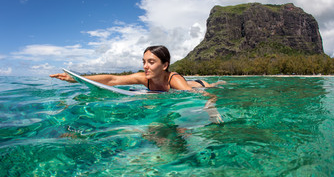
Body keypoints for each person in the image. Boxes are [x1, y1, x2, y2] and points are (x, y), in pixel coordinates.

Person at [50, 45, 224, 122]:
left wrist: (211, 109)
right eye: (144, 61)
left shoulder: (175, 79)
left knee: (214, 85)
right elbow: (112, 80)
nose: (145, 66)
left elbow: (203, 95)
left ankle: (219, 81)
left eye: (151, 62)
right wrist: (77, 79)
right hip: (171, 89)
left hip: (198, 84)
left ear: (165, 65)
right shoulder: (144, 77)